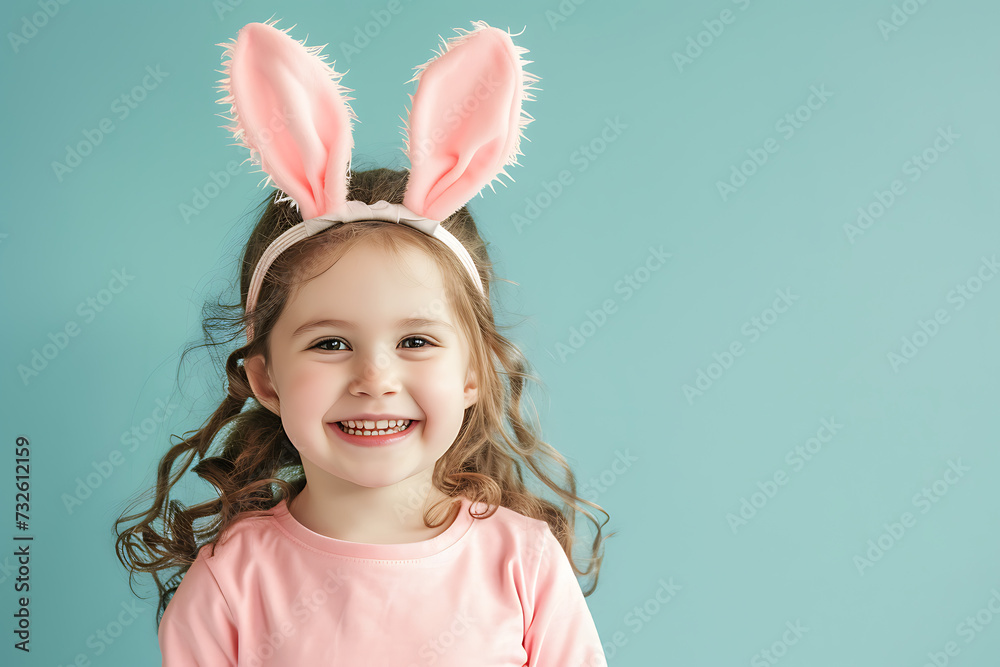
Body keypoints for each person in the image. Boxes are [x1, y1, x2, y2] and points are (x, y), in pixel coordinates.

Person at [114, 18, 613, 665]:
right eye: (328, 344)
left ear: (474, 373)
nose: (374, 377)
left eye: (414, 340)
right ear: (266, 378)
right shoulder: (232, 584)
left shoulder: (525, 563)